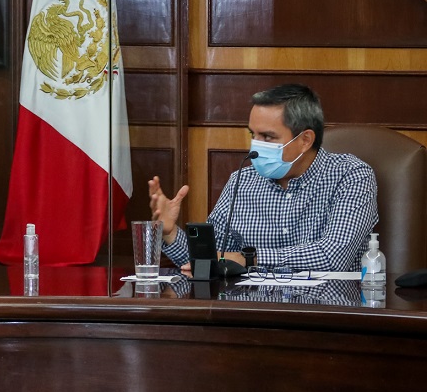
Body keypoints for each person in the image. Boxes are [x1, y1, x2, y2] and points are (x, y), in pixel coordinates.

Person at [148, 83, 378, 272]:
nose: (255, 147)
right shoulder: (242, 181)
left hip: (326, 307)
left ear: (305, 140)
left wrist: (249, 258)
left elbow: (332, 257)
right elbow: (210, 260)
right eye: (253, 135)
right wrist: (170, 233)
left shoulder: (351, 176)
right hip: (252, 306)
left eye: (268, 137)